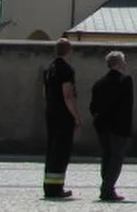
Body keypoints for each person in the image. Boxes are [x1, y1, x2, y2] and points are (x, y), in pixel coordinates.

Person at [90, 50, 134, 202]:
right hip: (119, 126)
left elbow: (93, 107)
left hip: (102, 126)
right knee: (116, 158)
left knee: (106, 157)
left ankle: (107, 187)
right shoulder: (125, 80)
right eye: (124, 60)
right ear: (119, 63)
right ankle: (107, 189)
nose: (125, 63)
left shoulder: (99, 83)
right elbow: (127, 106)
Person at [42, 37, 81, 199]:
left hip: (51, 112)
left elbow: (44, 92)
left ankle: (48, 186)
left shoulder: (49, 68)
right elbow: (67, 95)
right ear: (69, 51)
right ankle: (56, 188)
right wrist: (76, 116)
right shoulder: (66, 69)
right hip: (63, 115)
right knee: (61, 151)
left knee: (52, 149)